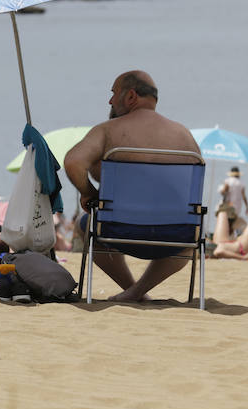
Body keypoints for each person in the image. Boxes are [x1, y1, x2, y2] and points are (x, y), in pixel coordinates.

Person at [63, 70, 201, 302]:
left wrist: (89, 193)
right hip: (177, 236)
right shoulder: (185, 136)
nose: (110, 100)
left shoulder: (109, 130)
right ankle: (136, 292)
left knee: (85, 225)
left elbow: (73, 161)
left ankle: (133, 290)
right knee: (192, 238)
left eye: (113, 93)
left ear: (131, 97)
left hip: (119, 231)